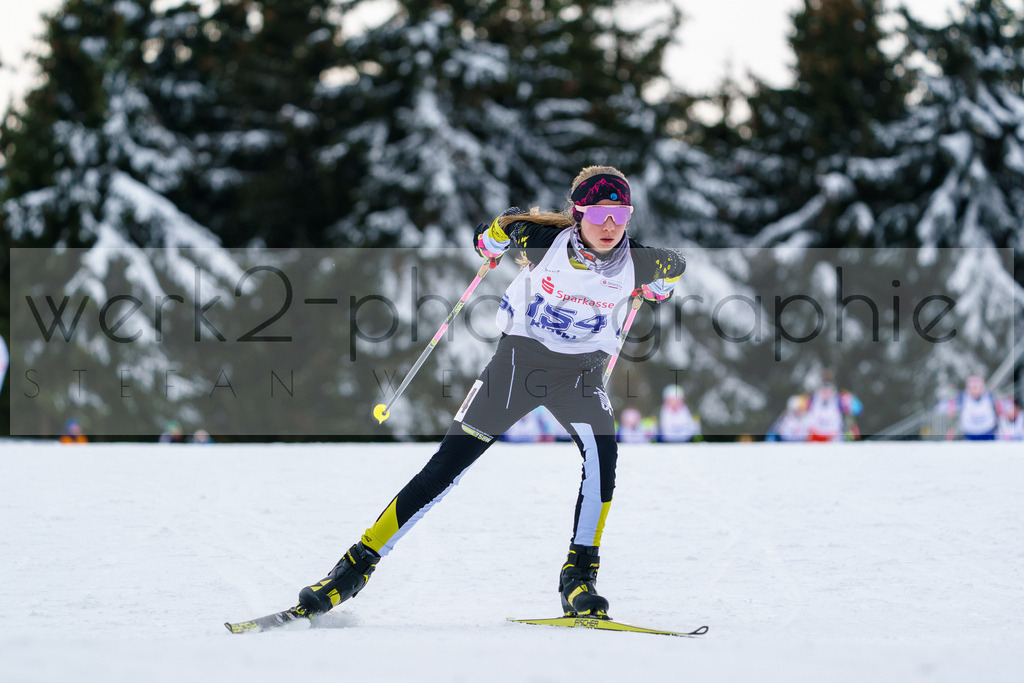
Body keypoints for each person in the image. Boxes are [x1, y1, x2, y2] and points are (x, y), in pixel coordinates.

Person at [292, 166, 685, 621]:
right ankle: (351, 570)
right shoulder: (541, 241)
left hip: (581, 375)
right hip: (517, 365)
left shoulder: (640, 259)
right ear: (578, 213)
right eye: (599, 213)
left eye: (620, 213)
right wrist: (494, 235)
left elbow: (667, 276)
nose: (610, 225)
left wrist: (662, 285)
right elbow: (488, 239)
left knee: (603, 460)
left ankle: (579, 578)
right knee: (446, 467)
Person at [804, 370, 862, 442]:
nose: (826, 390)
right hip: (815, 438)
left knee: (850, 422)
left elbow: (859, 410)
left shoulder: (840, 399)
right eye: (823, 386)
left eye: (829, 387)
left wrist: (850, 400)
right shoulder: (813, 399)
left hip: (834, 439)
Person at [954, 375, 999, 440]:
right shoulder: (962, 398)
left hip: (988, 433)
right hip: (969, 434)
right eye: (972, 387)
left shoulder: (990, 396)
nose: (975, 390)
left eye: (977, 387)